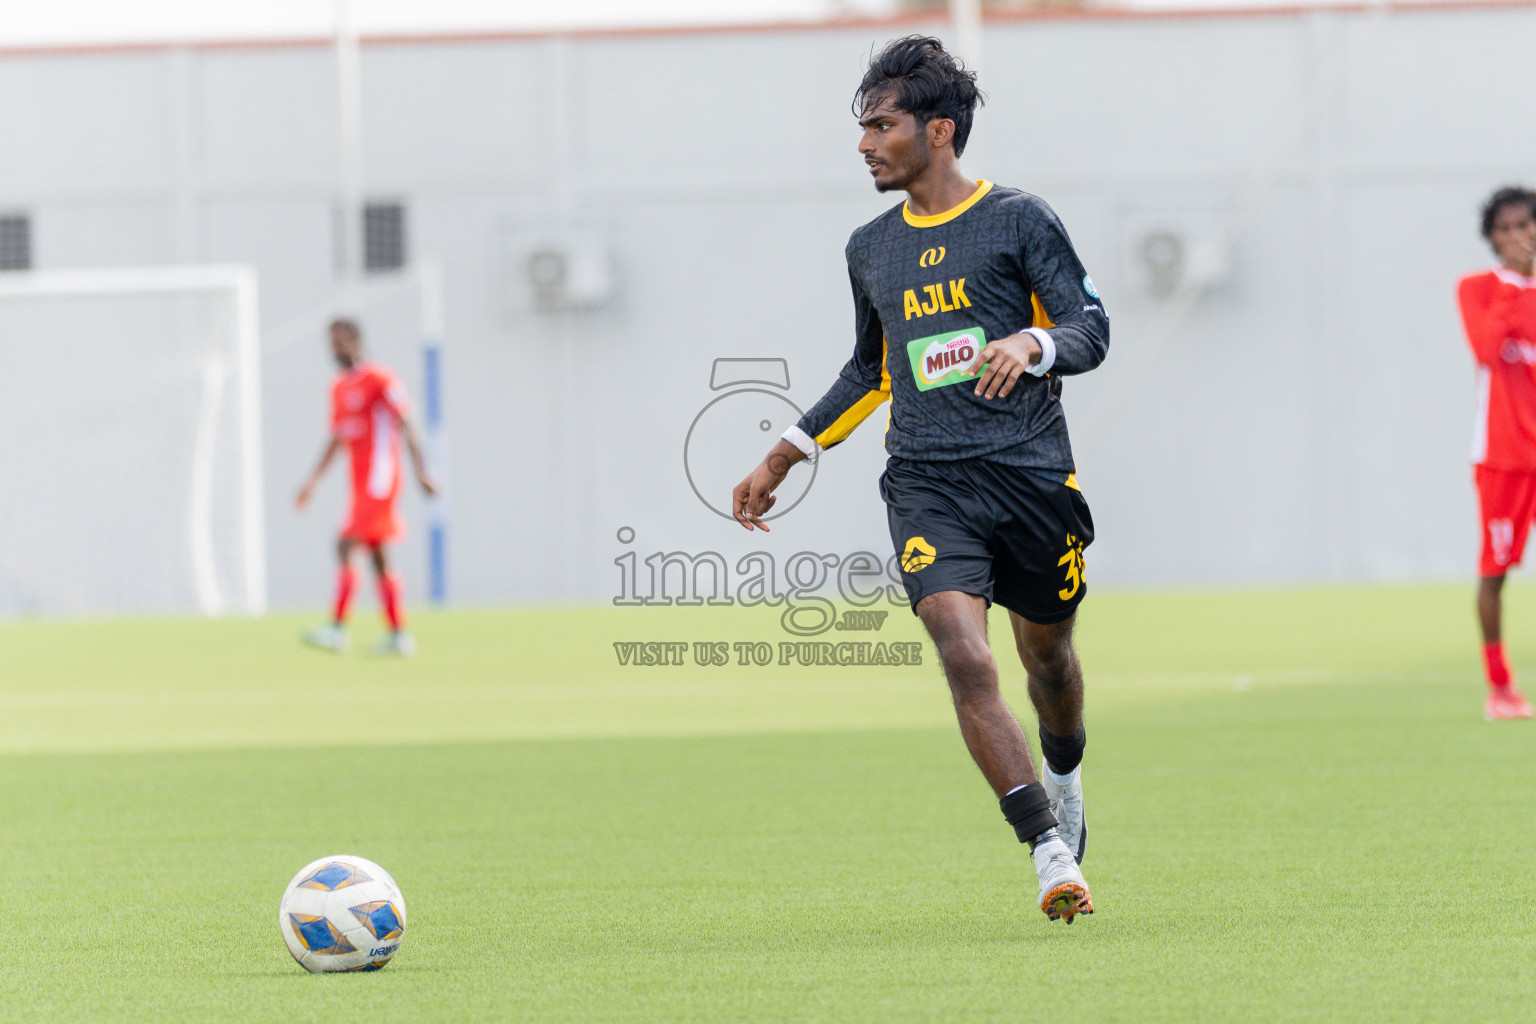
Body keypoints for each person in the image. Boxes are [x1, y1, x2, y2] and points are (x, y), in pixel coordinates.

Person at [732, 36, 1109, 924]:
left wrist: (1034, 341)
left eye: (881, 126)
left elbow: (1090, 327)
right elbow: (873, 370)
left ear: (938, 131)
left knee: (1047, 659)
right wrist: (784, 451)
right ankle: (1049, 853)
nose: (865, 144)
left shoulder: (1019, 220)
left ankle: (1063, 774)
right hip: (927, 481)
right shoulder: (871, 247)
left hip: (1030, 477)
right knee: (963, 653)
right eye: (863, 128)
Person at [297, 318, 436, 656]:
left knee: (345, 545)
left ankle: (337, 628)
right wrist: (312, 481)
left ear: (357, 341)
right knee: (378, 555)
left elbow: (406, 421)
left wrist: (422, 471)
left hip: (380, 479)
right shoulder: (338, 388)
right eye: (332, 342)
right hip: (360, 484)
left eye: (341, 341)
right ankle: (399, 635)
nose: (335, 348)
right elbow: (337, 438)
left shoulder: (380, 379)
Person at [1457, 186, 1536, 720]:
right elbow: (1486, 350)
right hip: (1503, 456)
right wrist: (1515, 282)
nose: (1517, 236)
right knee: (1495, 572)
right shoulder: (1479, 288)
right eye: (1505, 229)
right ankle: (1500, 688)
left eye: (1525, 224)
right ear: (1491, 238)